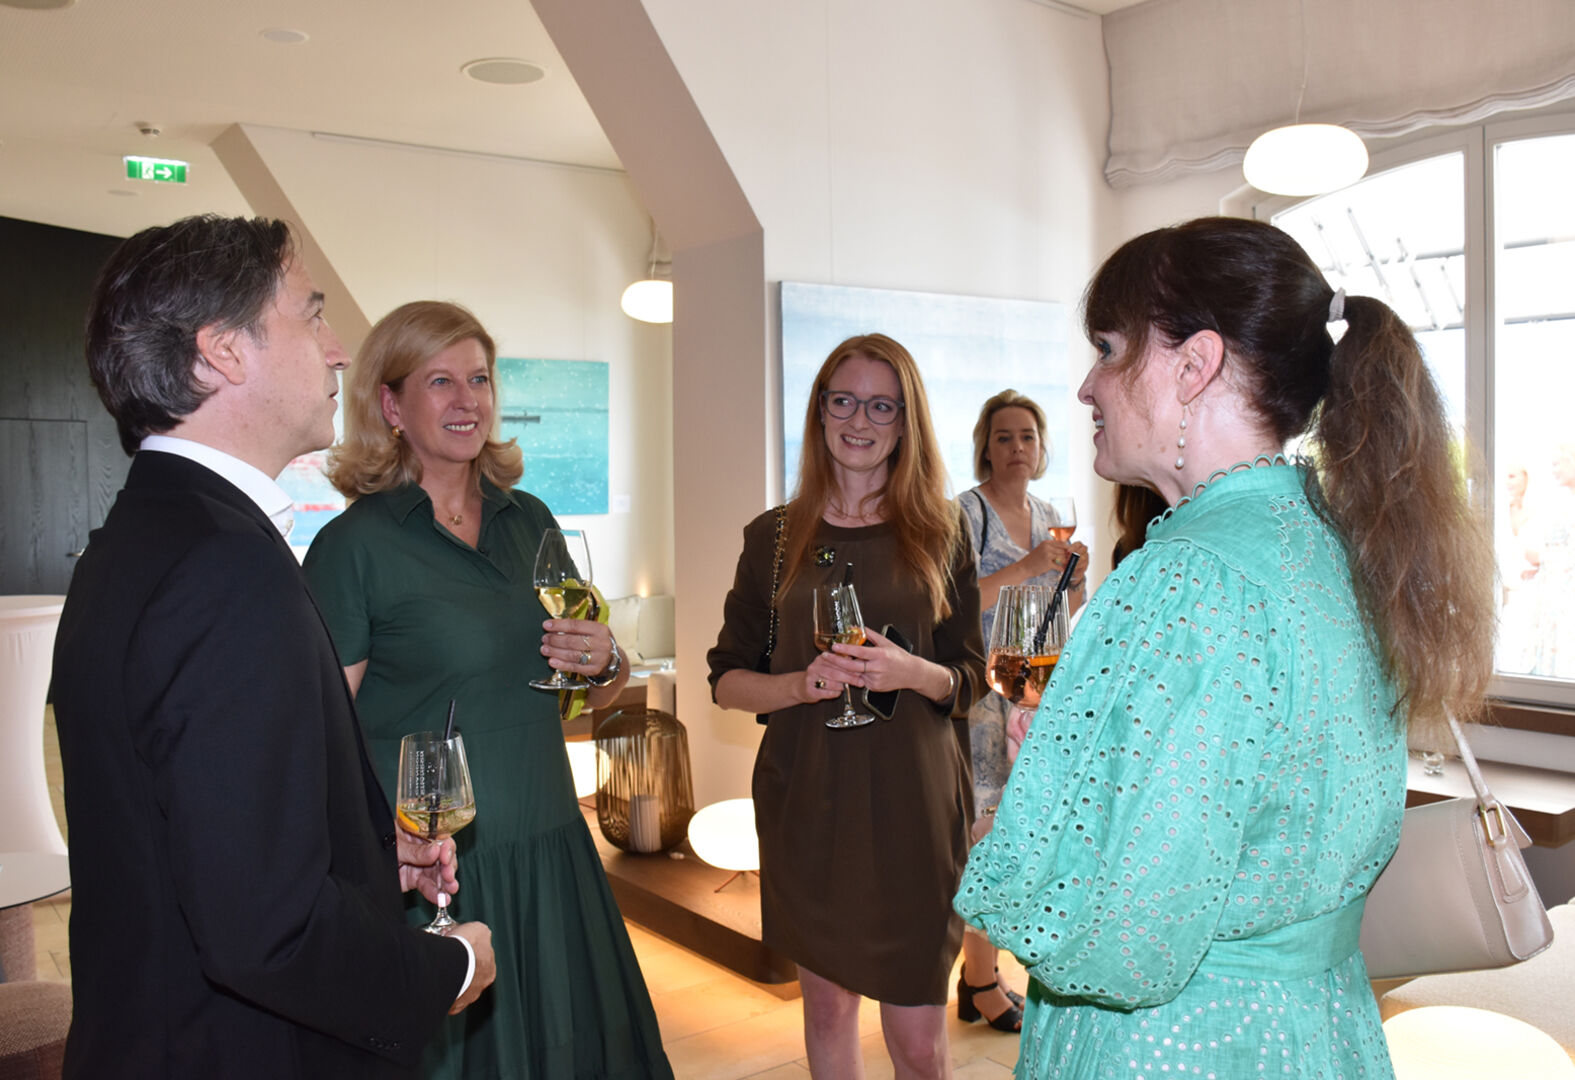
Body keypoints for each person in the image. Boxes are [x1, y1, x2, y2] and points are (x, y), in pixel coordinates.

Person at [956, 217, 1495, 1079]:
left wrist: (1028, 816)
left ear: (1193, 364)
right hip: (1313, 1028)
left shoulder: (1187, 576)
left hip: (1178, 1043)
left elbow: (1118, 937)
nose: (1088, 386)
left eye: (1107, 349)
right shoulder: (1332, 541)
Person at [51, 215, 496, 1079]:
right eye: (311, 314)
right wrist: (448, 967)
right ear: (223, 351)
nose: (338, 352)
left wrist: (361, 861)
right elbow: (264, 931)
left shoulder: (145, 533)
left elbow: (194, 839)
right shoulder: (221, 567)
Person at [303, 300, 673, 1080]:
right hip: (433, 866)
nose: (466, 399)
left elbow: (588, 693)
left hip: (551, 845)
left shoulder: (530, 518)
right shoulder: (353, 547)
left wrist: (606, 661)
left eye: (478, 379)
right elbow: (317, 736)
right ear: (391, 405)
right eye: (439, 381)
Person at [708, 333, 985, 1079]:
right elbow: (726, 679)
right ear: (820, 411)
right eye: (844, 401)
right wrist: (799, 686)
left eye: (881, 406)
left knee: (919, 1044)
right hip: (809, 797)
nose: (859, 420)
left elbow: (970, 678)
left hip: (915, 802)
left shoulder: (942, 531)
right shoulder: (773, 538)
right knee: (827, 1014)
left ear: (905, 422)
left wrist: (910, 672)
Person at [953, 389, 1087, 1033]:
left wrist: (1074, 582)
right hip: (981, 699)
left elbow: (1062, 611)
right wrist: (1031, 564)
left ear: (1041, 446)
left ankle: (985, 973)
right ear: (986, 445)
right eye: (1004, 436)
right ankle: (980, 979)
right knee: (985, 834)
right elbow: (951, 605)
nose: (1016, 448)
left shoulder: (1050, 514)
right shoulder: (965, 514)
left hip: (1033, 700)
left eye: (1027, 436)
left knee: (1023, 835)